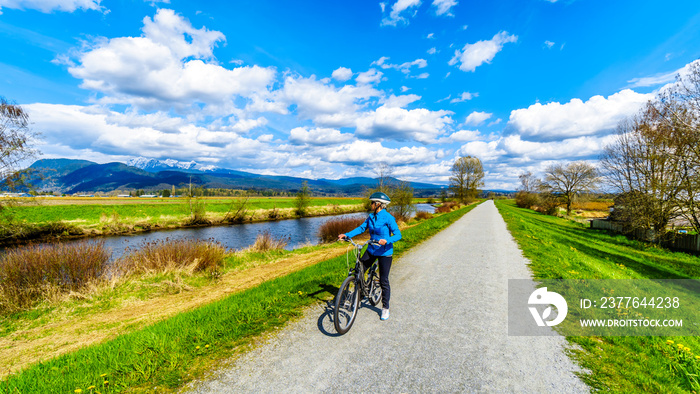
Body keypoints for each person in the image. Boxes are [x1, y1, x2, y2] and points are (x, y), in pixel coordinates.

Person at [338, 191, 401, 321]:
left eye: (372, 203)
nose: (370, 205)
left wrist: (387, 240)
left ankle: (385, 308)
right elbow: (361, 228)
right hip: (371, 249)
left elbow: (398, 234)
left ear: (378, 204)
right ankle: (359, 295)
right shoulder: (371, 217)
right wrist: (347, 235)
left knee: (384, 280)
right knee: (359, 270)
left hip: (384, 252)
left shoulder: (388, 217)